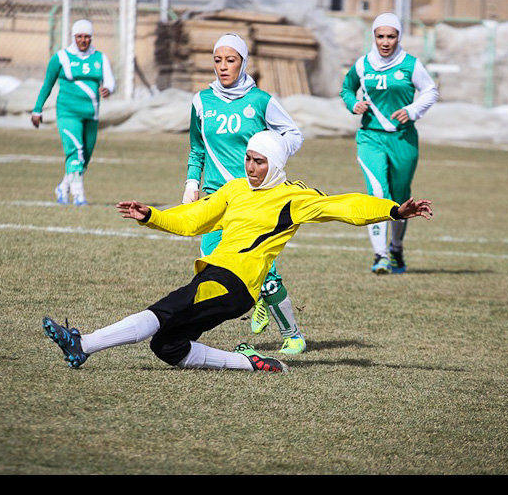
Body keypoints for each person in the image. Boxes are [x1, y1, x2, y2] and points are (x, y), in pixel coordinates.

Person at [42, 130, 433, 373]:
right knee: (168, 346)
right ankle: (249, 363)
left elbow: (344, 206)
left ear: (276, 163)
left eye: (259, 161)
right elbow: (193, 219)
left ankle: (84, 344)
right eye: (248, 158)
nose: (250, 166)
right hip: (213, 277)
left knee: (164, 311)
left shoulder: (293, 198)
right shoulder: (234, 188)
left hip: (236, 284)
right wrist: (152, 216)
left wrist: (393, 210)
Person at [182, 32, 306, 354]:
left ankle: (292, 335)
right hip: (213, 198)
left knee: (264, 274)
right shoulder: (201, 102)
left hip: (251, 199)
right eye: (218, 60)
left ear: (244, 62)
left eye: (231, 60)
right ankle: (190, 334)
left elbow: (293, 133)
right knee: (209, 271)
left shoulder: (260, 101)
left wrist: (275, 150)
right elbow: (197, 149)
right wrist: (191, 185)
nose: (223, 67)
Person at [340, 12, 439, 275]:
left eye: (391, 36)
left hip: (403, 139)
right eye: (380, 36)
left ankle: (396, 247)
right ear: (373, 36)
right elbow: (347, 88)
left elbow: (431, 91)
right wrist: (353, 104)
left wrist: (414, 110)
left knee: (401, 197)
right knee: (377, 193)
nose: (385, 42)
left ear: (399, 37)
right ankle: (379, 255)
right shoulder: (362, 65)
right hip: (370, 137)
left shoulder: (410, 65)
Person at [31, 19, 116, 206]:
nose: (83, 40)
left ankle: (63, 187)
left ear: (91, 38)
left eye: (87, 37)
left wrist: (108, 89)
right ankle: (79, 196)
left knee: (84, 158)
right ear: (73, 37)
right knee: (75, 152)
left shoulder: (99, 58)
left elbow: (110, 81)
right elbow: (47, 84)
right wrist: (37, 110)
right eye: (79, 36)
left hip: (91, 114)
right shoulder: (61, 58)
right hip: (68, 112)